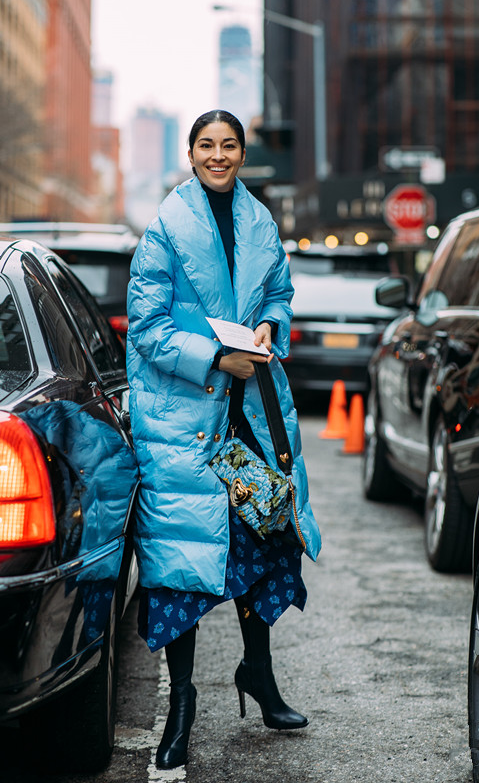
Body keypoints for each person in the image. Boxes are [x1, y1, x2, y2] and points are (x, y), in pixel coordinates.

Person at [126, 109, 321, 770]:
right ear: (189, 153)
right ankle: (180, 706)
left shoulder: (260, 221)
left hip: (247, 426)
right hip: (185, 425)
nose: (218, 154)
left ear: (241, 153)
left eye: (228, 145)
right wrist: (217, 357)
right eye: (206, 145)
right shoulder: (164, 228)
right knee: (181, 566)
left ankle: (257, 674)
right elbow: (146, 330)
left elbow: (281, 295)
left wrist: (268, 325)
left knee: (261, 545)